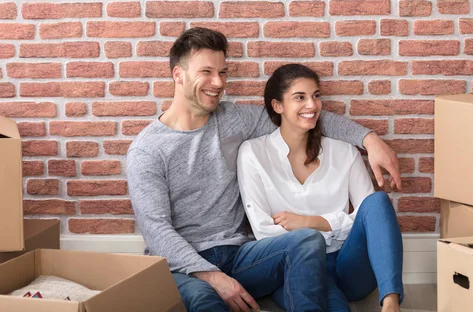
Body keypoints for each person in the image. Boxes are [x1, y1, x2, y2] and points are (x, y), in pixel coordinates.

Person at [126, 27, 403, 312]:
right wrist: (213, 277)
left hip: (240, 255)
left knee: (306, 240)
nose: (218, 82)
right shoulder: (148, 150)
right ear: (178, 75)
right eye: (206, 72)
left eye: (223, 72)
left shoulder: (233, 119)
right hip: (184, 267)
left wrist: (369, 140)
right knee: (206, 301)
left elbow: (303, 117)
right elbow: (157, 232)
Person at [237, 64, 404, 312]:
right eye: (300, 97)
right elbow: (263, 230)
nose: (312, 105)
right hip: (298, 267)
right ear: (277, 106)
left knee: (378, 202)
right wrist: (319, 233)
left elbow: (368, 219)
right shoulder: (253, 153)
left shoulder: (344, 151)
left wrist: (312, 222)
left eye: (316, 96)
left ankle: (391, 302)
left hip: (348, 264)